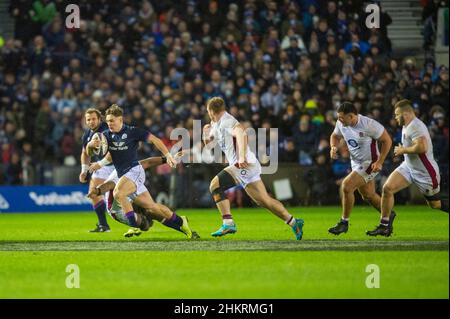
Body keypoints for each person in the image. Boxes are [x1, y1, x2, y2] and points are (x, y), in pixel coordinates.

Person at [203, 97, 304, 240]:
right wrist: (205, 134)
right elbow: (208, 144)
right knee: (264, 200)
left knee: (215, 185)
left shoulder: (227, 121)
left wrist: (242, 157)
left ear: (211, 111)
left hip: (244, 164)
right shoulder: (215, 124)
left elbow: (241, 134)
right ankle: (294, 222)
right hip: (247, 165)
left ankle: (228, 222)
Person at [88, 104, 191, 238]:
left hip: (135, 171)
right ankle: (181, 222)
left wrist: (168, 156)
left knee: (118, 193)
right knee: (152, 208)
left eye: (112, 120)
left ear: (120, 119)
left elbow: (155, 140)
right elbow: (92, 152)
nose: (109, 124)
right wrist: (91, 146)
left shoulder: (132, 132)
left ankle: (133, 226)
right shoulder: (105, 136)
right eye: (107, 121)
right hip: (123, 176)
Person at [368, 99, 449, 236]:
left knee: (434, 204)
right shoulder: (408, 124)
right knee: (387, 189)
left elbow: (422, 147)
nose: (395, 117)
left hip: (425, 172)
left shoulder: (415, 126)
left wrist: (403, 150)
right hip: (409, 167)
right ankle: (384, 225)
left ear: (406, 114)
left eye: (397, 114)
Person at [87, 155, 199, 238]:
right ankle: (144, 220)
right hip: (117, 209)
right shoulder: (118, 173)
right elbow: (108, 185)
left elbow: (149, 162)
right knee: (145, 225)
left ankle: (182, 225)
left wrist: (168, 158)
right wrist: (97, 191)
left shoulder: (131, 166)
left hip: (129, 191)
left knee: (153, 210)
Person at [328, 102, 395, 235]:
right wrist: (333, 147)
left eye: (342, 117)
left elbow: (387, 140)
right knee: (368, 195)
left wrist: (380, 161)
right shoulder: (341, 123)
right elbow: (334, 136)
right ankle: (388, 216)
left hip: (370, 162)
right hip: (355, 162)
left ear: (351, 116)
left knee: (347, 186)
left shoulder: (369, 125)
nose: (339, 120)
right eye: (339, 117)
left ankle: (344, 223)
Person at [80, 108, 114, 233]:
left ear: (100, 119)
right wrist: (84, 170)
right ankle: (103, 225)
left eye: (94, 119)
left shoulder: (107, 129)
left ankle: (143, 218)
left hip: (117, 164)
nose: (91, 122)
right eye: (88, 119)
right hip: (103, 166)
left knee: (128, 197)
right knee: (93, 193)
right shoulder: (87, 134)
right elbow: (84, 153)